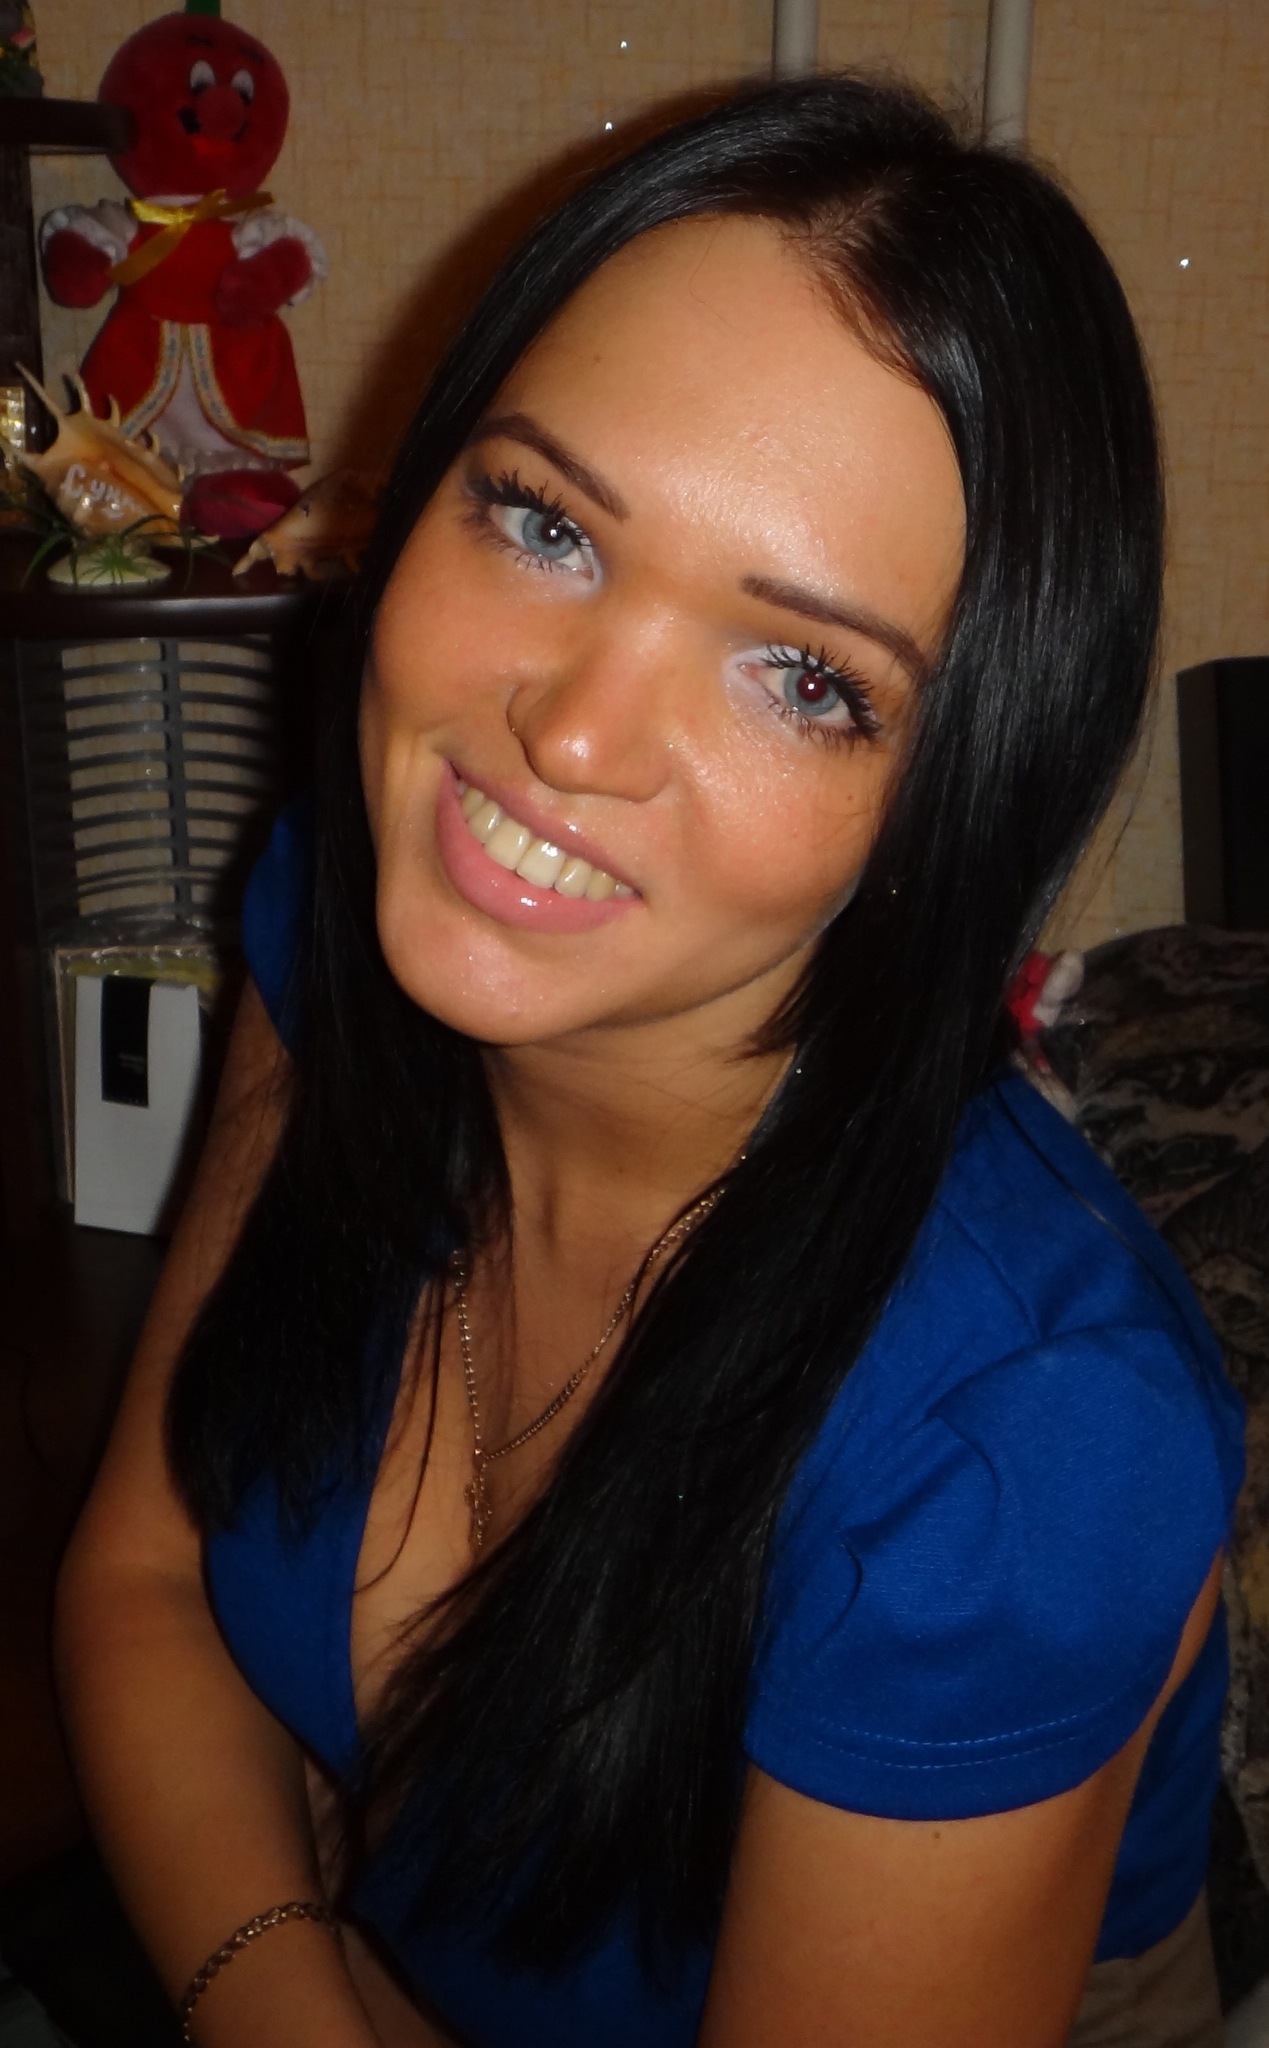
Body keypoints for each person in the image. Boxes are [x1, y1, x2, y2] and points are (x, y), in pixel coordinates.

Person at [56, 72, 1242, 2048]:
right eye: (544, 522)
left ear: (953, 804)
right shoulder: (353, 913)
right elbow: (149, 1578)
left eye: (803, 676)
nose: (574, 734)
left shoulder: (1028, 1441)